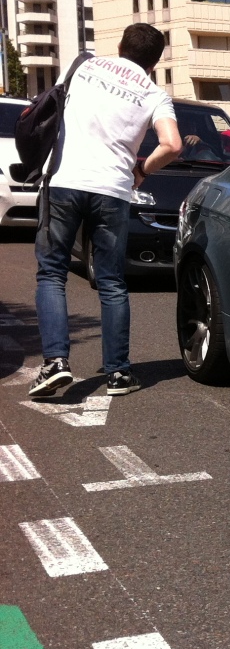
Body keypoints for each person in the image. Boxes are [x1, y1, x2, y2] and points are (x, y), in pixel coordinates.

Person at [29, 23, 181, 398]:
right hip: (113, 190)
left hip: (65, 181)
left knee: (52, 273)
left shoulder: (82, 66)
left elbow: (46, 107)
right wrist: (142, 170)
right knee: (112, 282)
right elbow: (172, 144)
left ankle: (55, 364)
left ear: (119, 46)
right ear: (155, 62)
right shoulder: (154, 93)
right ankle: (118, 373)